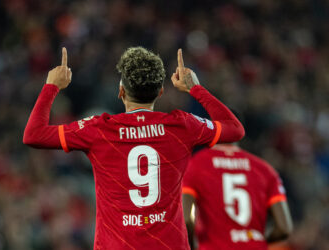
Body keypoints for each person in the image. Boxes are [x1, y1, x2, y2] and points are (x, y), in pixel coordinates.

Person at [23, 46, 245, 249]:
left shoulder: (99, 129)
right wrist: (195, 89)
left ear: (121, 91)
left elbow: (34, 135)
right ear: (160, 92)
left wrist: (51, 86)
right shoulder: (182, 126)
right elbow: (235, 129)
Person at [182, 143, 293, 250]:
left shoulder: (195, 165)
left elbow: (185, 219)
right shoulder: (265, 170)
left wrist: (191, 245)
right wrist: (257, 242)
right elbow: (284, 228)